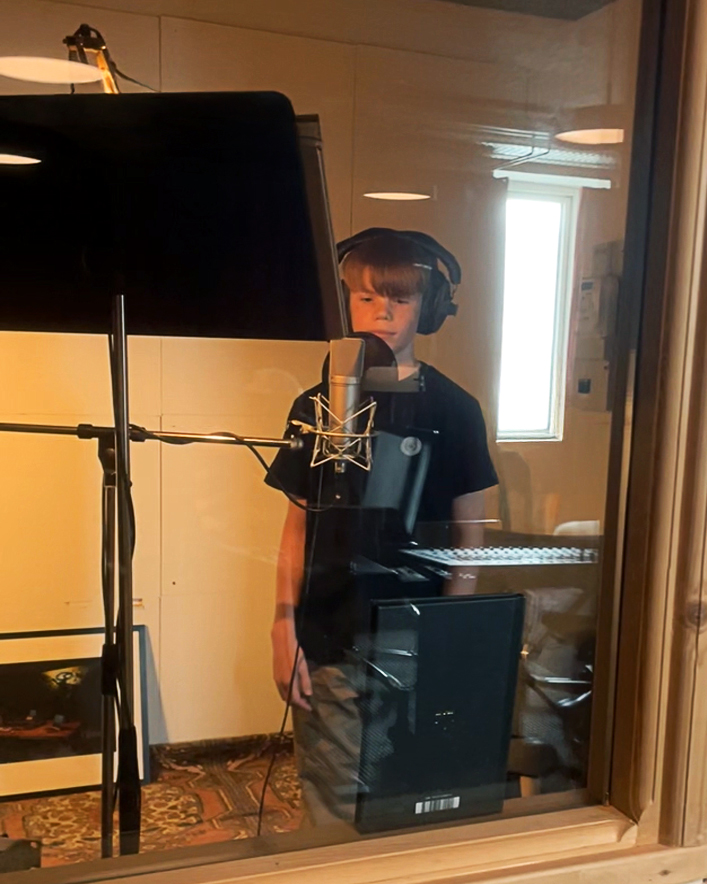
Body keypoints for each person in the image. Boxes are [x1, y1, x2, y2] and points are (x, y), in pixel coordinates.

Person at [265, 229, 498, 825]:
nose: (383, 313)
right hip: (329, 634)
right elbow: (297, 527)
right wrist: (283, 626)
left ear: (429, 307)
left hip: (418, 636)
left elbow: (469, 539)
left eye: (400, 298)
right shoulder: (316, 405)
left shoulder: (456, 409)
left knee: (412, 792)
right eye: (367, 298)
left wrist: (449, 642)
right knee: (332, 797)